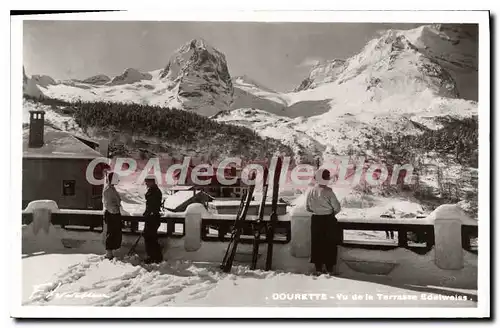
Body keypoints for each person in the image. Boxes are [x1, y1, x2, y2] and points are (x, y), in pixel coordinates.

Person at [306, 168, 342, 276]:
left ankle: (318, 268)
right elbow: (337, 207)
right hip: (328, 219)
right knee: (329, 244)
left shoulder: (311, 191)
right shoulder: (329, 191)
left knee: (317, 243)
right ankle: (329, 269)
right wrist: (331, 213)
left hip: (316, 219)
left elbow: (307, 208)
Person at [143, 175, 163, 264]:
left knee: (150, 237)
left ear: (152, 182)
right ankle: (155, 256)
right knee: (150, 237)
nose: (146, 183)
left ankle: (153, 256)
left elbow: (153, 205)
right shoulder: (153, 190)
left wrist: (149, 213)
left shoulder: (155, 191)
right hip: (151, 217)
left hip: (153, 217)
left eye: (147, 181)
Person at [102, 172, 122, 259]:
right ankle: (109, 253)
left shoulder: (111, 189)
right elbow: (108, 203)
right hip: (112, 213)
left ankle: (111, 251)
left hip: (114, 213)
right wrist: (115, 211)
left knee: (114, 232)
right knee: (111, 232)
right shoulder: (108, 190)